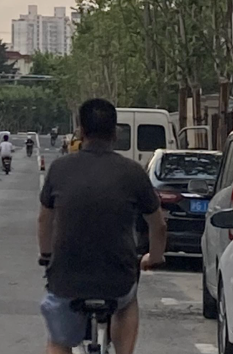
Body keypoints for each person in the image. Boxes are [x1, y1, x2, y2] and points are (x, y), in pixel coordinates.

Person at [37, 98, 166, 354]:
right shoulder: (133, 172)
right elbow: (158, 225)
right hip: (117, 277)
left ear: (81, 131)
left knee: (58, 341)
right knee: (126, 303)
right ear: (115, 133)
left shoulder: (59, 168)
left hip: (66, 277)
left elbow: (44, 220)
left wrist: (47, 256)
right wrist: (155, 257)